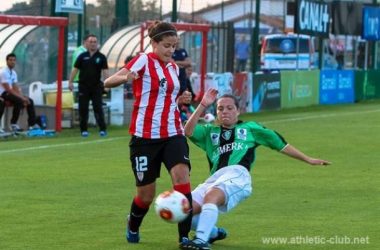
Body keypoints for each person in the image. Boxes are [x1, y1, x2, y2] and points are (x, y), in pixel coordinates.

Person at [180, 88, 331, 250]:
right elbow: (187, 131)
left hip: (238, 175)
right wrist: (203, 104)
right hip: (214, 178)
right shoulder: (210, 131)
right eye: (220, 108)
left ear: (238, 111)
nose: (225, 112)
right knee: (183, 210)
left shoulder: (250, 128)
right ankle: (213, 233)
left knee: (211, 197)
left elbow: (280, 144)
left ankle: (201, 241)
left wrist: (308, 159)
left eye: (230, 108)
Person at [104, 20, 194, 246]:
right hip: (145, 139)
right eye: (166, 45)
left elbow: (166, 98)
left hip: (173, 133)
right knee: (146, 196)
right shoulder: (143, 60)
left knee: (182, 179)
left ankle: (185, 238)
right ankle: (132, 225)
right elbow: (108, 81)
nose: (171, 50)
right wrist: (126, 77)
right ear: (153, 42)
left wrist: (180, 100)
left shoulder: (174, 67)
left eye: (174, 46)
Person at [69, 34, 109, 137]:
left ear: (97, 43)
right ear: (87, 43)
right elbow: (75, 69)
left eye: (94, 42)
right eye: (90, 42)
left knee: (98, 108)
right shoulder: (82, 56)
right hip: (83, 86)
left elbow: (105, 72)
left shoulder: (101, 57)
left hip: (96, 87)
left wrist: (107, 84)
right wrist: (70, 82)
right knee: (83, 109)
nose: (93, 44)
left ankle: (102, 129)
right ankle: (84, 130)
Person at [0, 53, 40, 132]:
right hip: (3, 93)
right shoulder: (4, 72)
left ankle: (32, 124)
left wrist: (23, 97)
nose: (12, 62)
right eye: (10, 60)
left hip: (10, 92)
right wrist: (21, 98)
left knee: (30, 101)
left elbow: (15, 87)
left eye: (14, 60)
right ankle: (13, 124)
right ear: (7, 61)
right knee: (19, 100)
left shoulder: (14, 73)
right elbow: (8, 89)